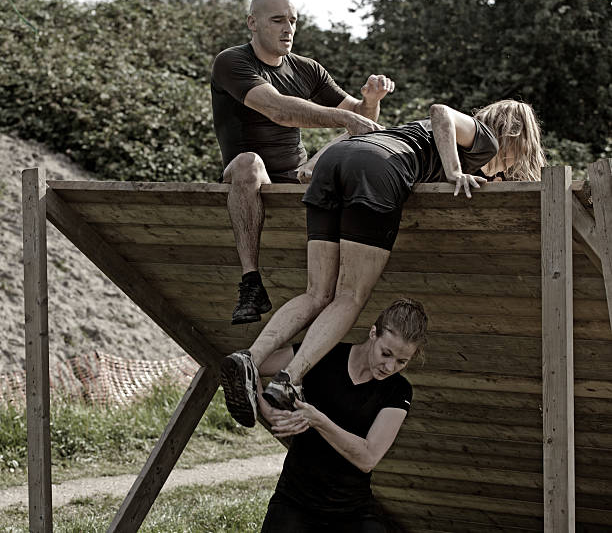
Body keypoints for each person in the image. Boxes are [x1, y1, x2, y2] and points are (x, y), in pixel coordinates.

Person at [220, 99, 546, 426]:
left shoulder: (412, 133)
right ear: (517, 137)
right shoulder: (484, 138)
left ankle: (249, 358)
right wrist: (454, 172)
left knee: (317, 293)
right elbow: (440, 112)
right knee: (350, 296)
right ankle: (288, 380)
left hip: (335, 161)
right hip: (376, 171)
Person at [211, 0, 395, 325]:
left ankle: (350, 280)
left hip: (297, 177)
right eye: (277, 20)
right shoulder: (232, 62)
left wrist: (370, 100)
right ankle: (251, 283)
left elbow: (359, 118)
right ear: (252, 23)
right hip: (250, 178)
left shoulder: (307, 69)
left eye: (293, 21)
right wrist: (347, 119)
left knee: (356, 148)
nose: (288, 29)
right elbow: (278, 108)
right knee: (247, 162)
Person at [257, 298, 428, 532]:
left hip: (353, 511)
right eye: (386, 353)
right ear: (372, 333)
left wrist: (318, 420)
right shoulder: (322, 353)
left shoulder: (398, 390)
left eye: (402, 361)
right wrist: (266, 409)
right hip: (294, 501)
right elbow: (251, 364)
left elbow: (368, 458)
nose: (389, 367)